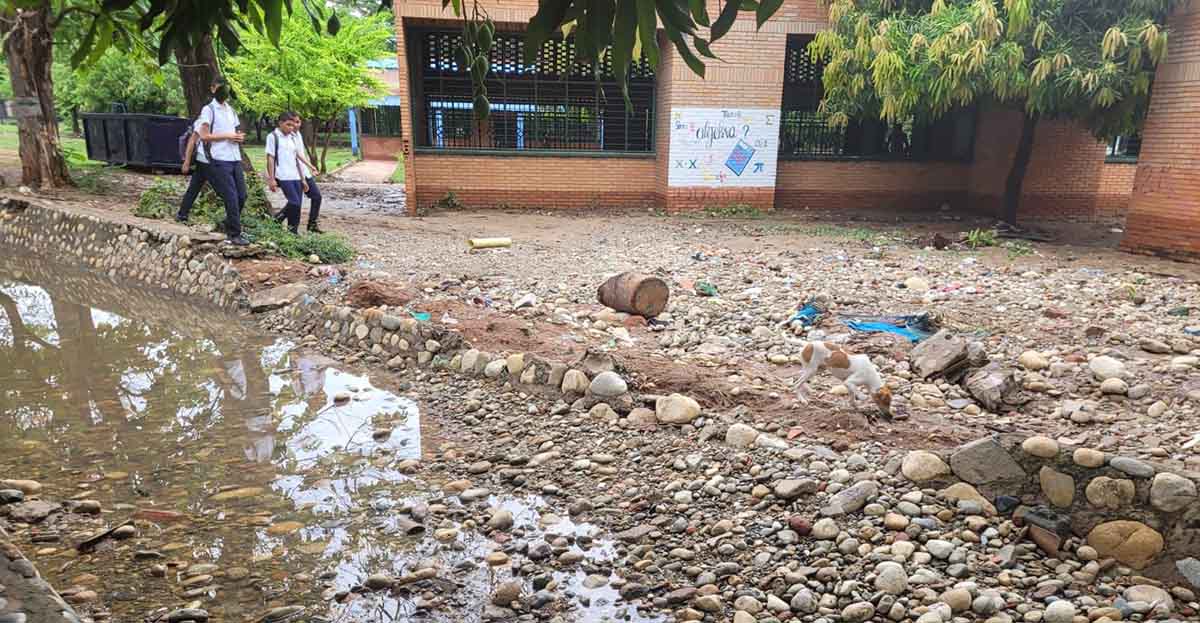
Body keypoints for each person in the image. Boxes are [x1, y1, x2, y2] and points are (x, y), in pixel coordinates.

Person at [197, 76, 249, 245]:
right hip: (219, 158)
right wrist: (227, 136)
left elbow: (234, 131)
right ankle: (234, 234)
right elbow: (204, 136)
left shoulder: (230, 110)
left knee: (242, 195)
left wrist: (238, 137)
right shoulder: (209, 110)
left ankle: (228, 224)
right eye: (220, 88)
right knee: (231, 197)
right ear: (213, 89)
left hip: (234, 157)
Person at [265, 111, 306, 234]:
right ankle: (277, 219)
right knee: (294, 202)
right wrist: (271, 179)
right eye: (288, 125)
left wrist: (303, 178)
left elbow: (296, 158)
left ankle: (293, 231)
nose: (291, 128)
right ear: (280, 123)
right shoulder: (273, 136)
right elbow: (270, 158)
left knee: (298, 205)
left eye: (293, 125)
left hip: (295, 175)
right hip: (282, 175)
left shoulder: (292, 137)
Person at [175, 104, 214, 223]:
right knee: (224, 189)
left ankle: (182, 214)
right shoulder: (202, 121)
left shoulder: (217, 120)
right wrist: (186, 162)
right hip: (204, 159)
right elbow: (192, 141)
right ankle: (182, 214)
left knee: (194, 187)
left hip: (206, 160)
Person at [291, 115, 325, 233]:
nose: (297, 125)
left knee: (316, 197)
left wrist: (310, 168)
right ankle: (285, 225)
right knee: (295, 202)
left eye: (298, 122)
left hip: (304, 172)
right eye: (294, 122)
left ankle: (312, 225)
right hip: (294, 174)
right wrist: (302, 179)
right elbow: (295, 158)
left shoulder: (298, 135)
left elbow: (301, 155)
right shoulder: (287, 137)